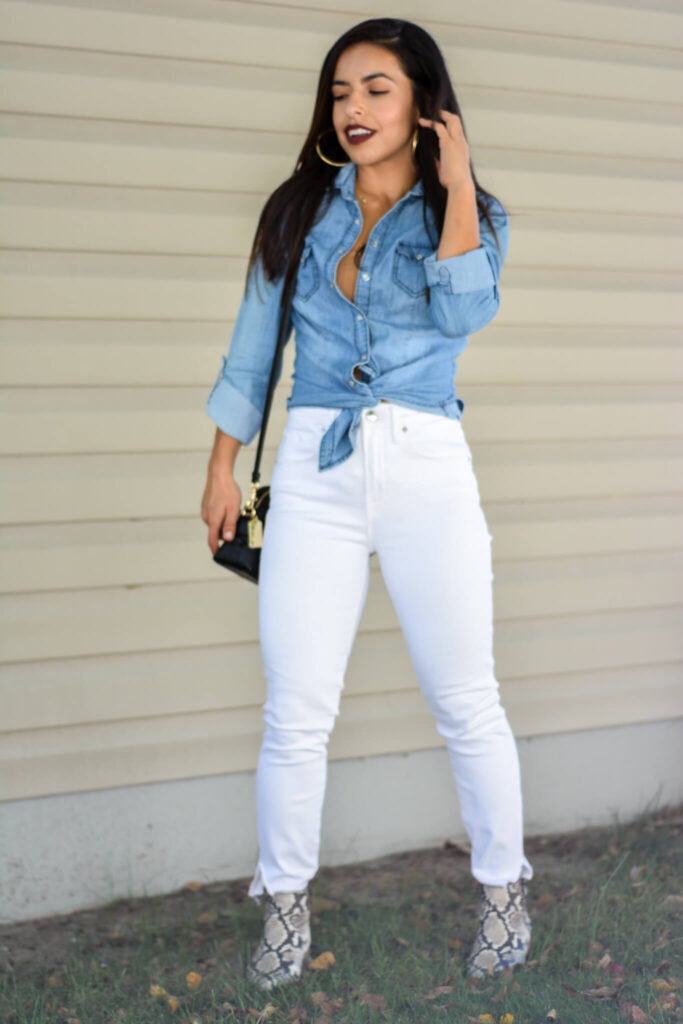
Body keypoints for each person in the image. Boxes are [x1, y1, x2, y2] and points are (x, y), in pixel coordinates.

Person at [200, 17, 534, 990]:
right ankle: (283, 911)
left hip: (426, 459)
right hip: (313, 462)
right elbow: (252, 346)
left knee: (466, 697)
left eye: (376, 89)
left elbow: (466, 311)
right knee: (295, 710)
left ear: (424, 103)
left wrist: (459, 181)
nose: (352, 108)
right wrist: (221, 468)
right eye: (341, 91)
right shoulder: (298, 210)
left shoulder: (472, 214)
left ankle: (504, 894)